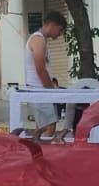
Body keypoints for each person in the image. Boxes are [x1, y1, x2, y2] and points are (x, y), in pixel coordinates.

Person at [20, 10, 66, 138]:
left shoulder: (41, 40)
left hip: (39, 89)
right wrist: (51, 90)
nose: (60, 34)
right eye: (60, 30)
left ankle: (35, 148)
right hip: (39, 89)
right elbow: (40, 69)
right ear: (52, 25)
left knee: (41, 127)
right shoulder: (38, 39)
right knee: (49, 126)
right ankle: (43, 149)